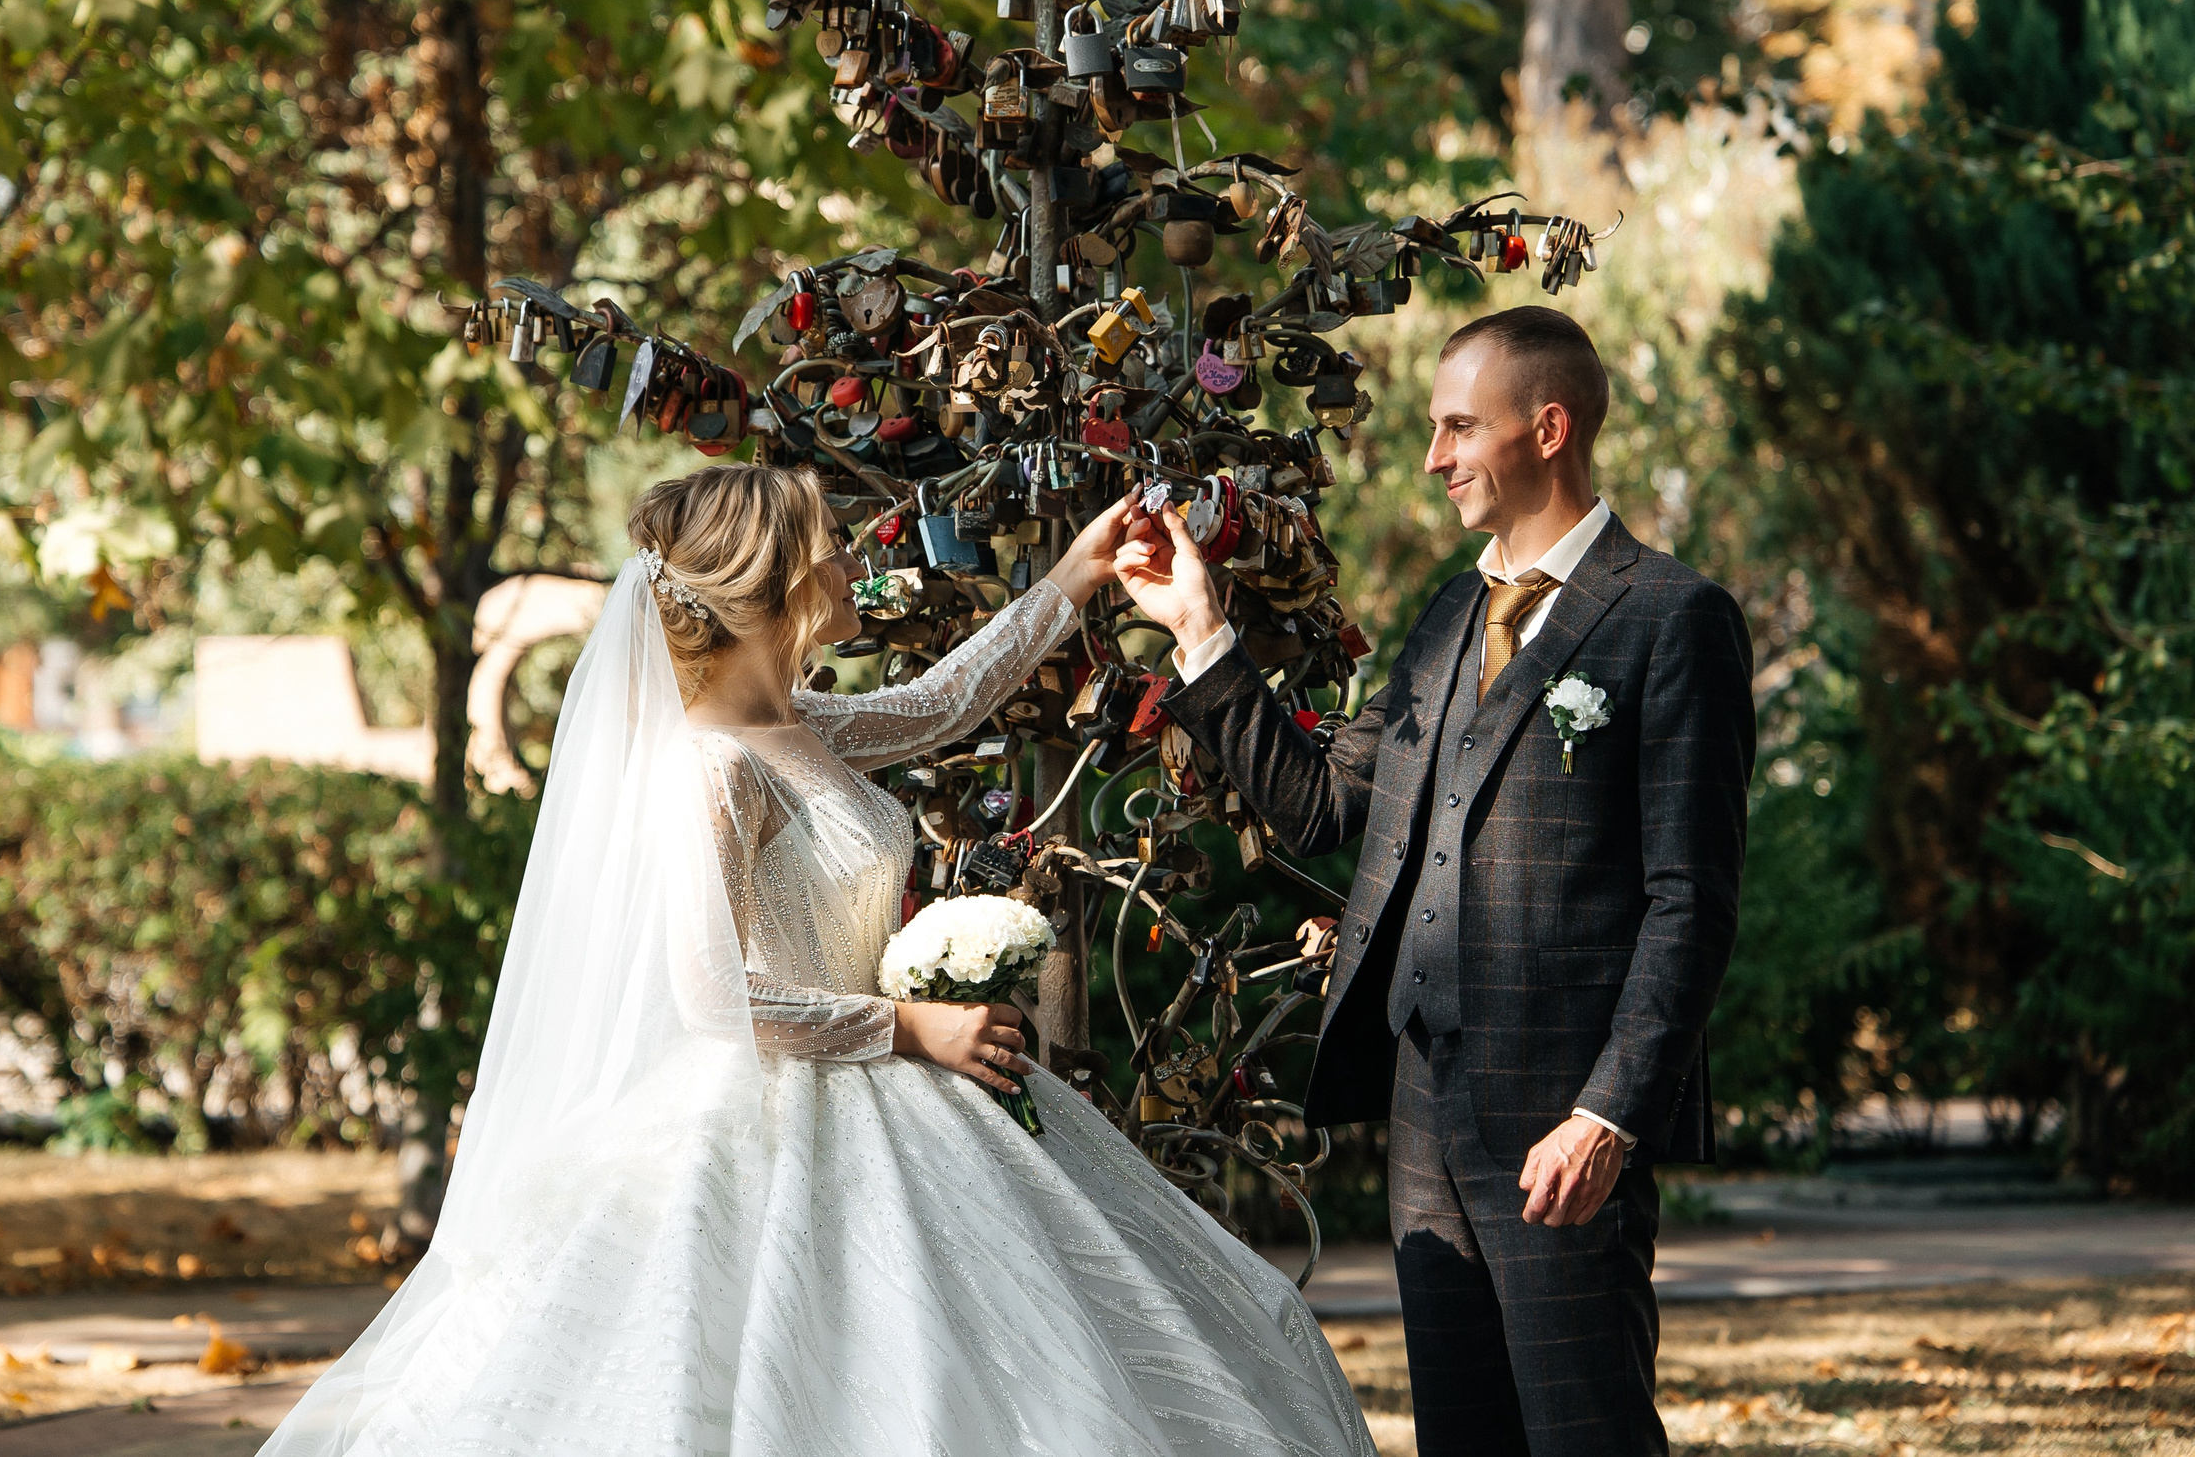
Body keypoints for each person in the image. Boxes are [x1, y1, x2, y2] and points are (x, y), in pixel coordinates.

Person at [262, 466, 1374, 1457]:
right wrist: (910, 1026)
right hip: (783, 1101)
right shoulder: (713, 768)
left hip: (886, 1085)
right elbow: (712, 991)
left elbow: (940, 703)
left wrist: (1077, 574)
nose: (853, 557)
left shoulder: (801, 723)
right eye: (830, 545)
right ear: (776, 584)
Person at [1114, 306, 1755, 1457]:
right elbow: (1323, 804)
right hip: (1423, 1106)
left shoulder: (1673, 618)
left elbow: (1689, 899)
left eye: (1458, 426)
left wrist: (1608, 1111)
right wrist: (1201, 630)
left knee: (1584, 1433)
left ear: (1546, 427)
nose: (1433, 456)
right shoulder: (1454, 612)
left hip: (1562, 1117)